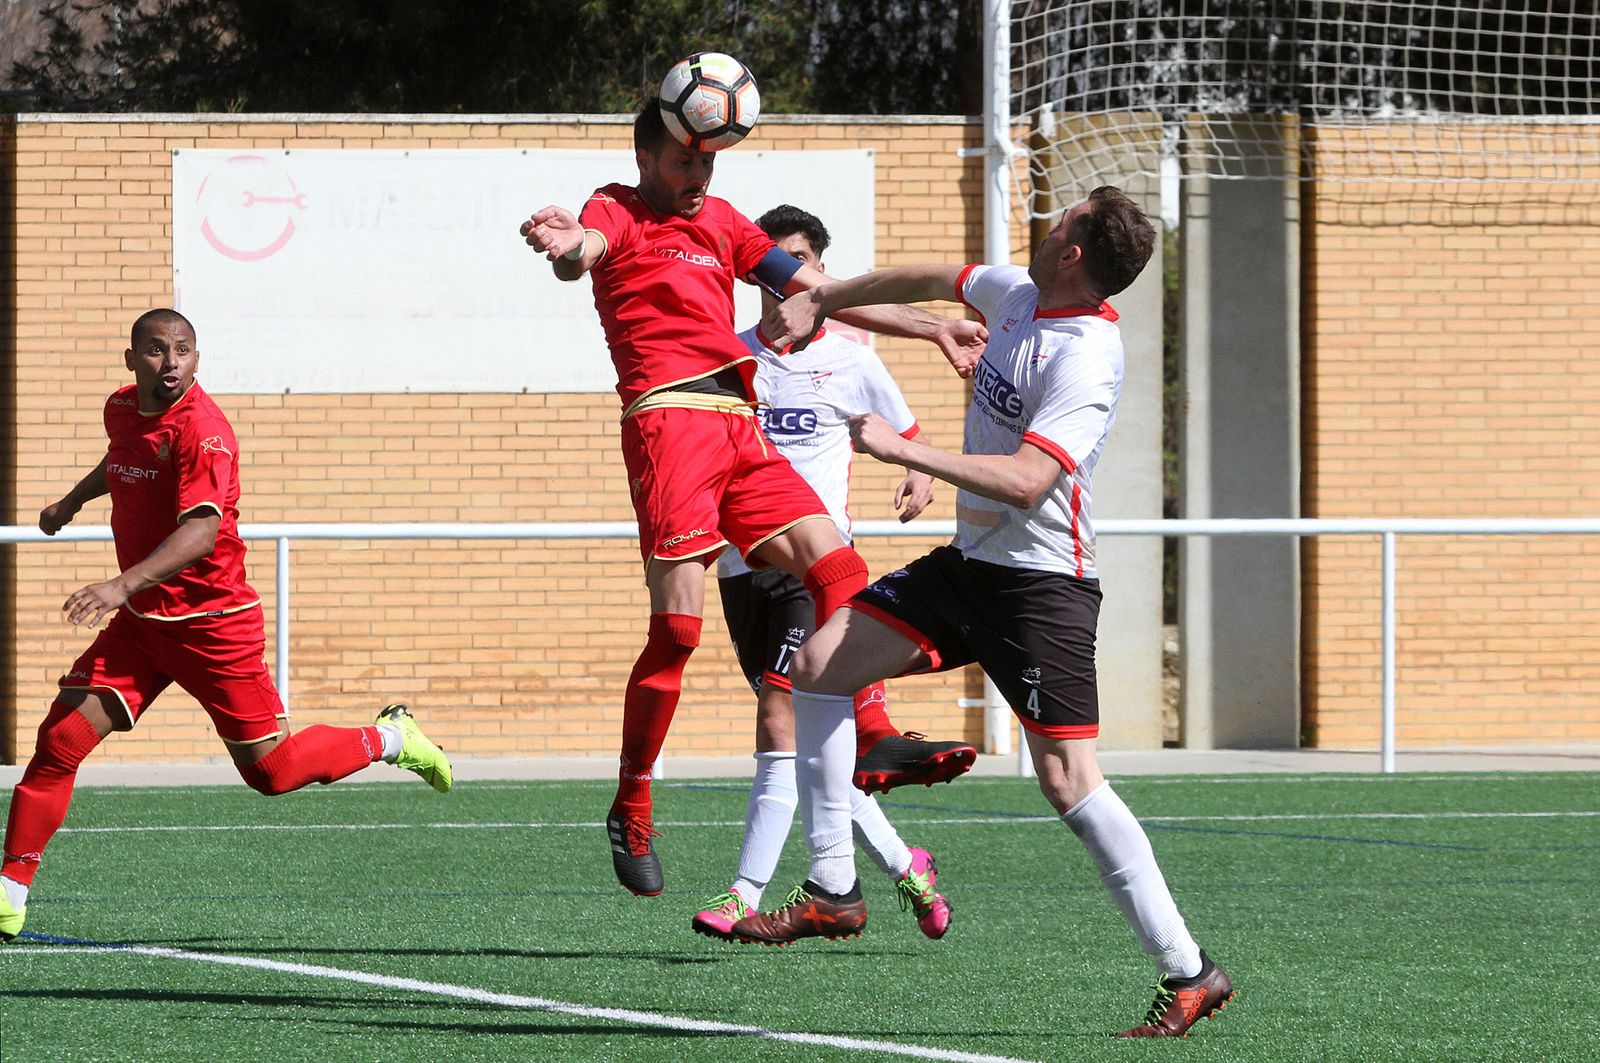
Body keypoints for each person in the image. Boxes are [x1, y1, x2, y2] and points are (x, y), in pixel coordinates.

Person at [729, 187, 1235, 1037]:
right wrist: (824, 293)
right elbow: (930, 276)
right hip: (968, 568)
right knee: (814, 668)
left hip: (1041, 589)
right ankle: (833, 887)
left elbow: (1032, 482)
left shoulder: (1086, 355)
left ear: (1075, 251)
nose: (1049, 222)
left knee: (1068, 780)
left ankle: (1190, 970)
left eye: (1063, 217)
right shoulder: (1019, 293)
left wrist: (905, 449)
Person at [517, 99, 981, 899]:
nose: (697, 177)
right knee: (677, 632)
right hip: (670, 425)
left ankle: (870, 730)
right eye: (683, 162)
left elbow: (819, 292)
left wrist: (927, 325)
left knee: (839, 565)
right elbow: (586, 249)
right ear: (646, 159)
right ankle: (632, 801)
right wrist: (567, 249)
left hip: (740, 425)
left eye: (707, 163)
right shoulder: (615, 208)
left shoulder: (726, 222)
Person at [0, 309, 452, 944]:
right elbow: (122, 461)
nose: (171, 362)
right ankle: (10, 891)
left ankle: (391, 738)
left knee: (273, 774)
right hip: (143, 626)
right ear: (132, 360)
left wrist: (118, 584)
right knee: (62, 739)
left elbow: (202, 529)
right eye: (156, 351)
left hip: (214, 626)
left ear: (198, 357)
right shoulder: (123, 409)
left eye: (183, 349)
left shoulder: (204, 430)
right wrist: (72, 501)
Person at [693, 205, 950, 943]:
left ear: (817, 274)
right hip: (745, 572)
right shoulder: (730, 358)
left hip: (819, 571)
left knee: (778, 719)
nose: (784, 282)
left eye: (798, 263)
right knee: (812, 748)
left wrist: (919, 478)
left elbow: (907, 433)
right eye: (772, 265)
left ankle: (744, 891)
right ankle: (907, 866)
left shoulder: (853, 357)